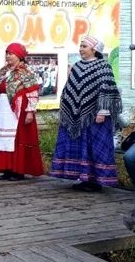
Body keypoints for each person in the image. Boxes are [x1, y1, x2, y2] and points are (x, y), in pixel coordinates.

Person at [50, 35, 122, 191]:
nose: (81, 49)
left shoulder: (103, 67)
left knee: (93, 147)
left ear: (94, 49)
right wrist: (67, 110)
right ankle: (83, 178)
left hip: (95, 117)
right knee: (80, 146)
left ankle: (95, 181)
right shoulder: (77, 66)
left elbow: (107, 91)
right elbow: (69, 89)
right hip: (77, 116)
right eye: (80, 46)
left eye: (84, 46)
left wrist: (102, 112)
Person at [0, 43, 43, 181]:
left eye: (11, 53)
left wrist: (30, 111)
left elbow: (32, 92)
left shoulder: (26, 72)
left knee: (17, 138)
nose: (8, 56)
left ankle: (18, 170)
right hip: (3, 108)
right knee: (3, 138)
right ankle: (6, 168)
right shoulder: (3, 71)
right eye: (7, 53)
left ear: (19, 56)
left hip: (18, 110)